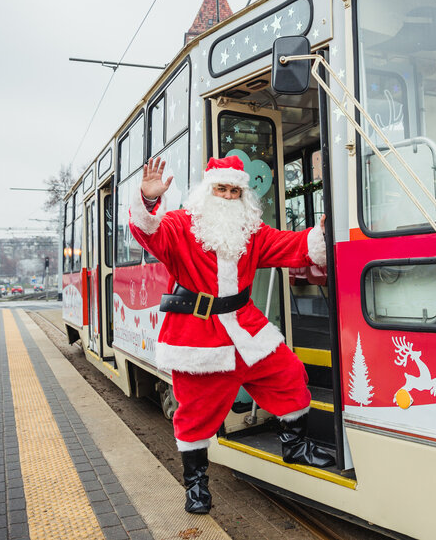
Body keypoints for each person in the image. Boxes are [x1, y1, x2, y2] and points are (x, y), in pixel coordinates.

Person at [129, 155, 334, 515]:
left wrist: (323, 232)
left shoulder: (251, 231)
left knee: (289, 374)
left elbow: (293, 245)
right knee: (193, 415)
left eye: (234, 190)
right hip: (198, 337)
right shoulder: (180, 225)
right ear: (208, 191)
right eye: (221, 189)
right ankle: (196, 486)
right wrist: (148, 201)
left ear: (242, 195)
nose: (226, 196)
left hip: (245, 327)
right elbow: (150, 233)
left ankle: (294, 446)